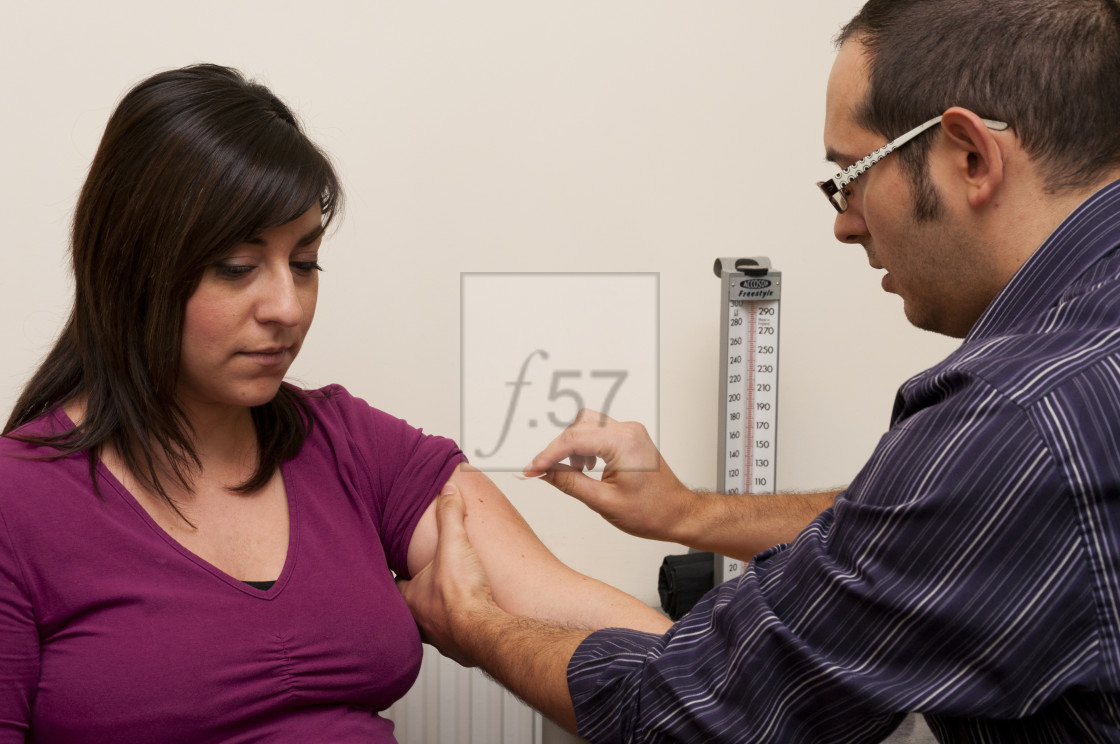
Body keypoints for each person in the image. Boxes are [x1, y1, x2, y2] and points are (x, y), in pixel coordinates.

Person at [399, 0, 1120, 741]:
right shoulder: (1061, 397)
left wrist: (475, 622)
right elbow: (944, 525)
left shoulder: (1020, 417)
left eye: (851, 175)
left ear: (969, 156)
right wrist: (689, 514)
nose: (844, 223)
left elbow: (690, 716)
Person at [0, 64, 670, 744]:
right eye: (237, 267)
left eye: (305, 262)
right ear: (130, 265)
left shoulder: (351, 445)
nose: (288, 308)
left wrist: (757, 667)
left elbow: (563, 607)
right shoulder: (17, 501)